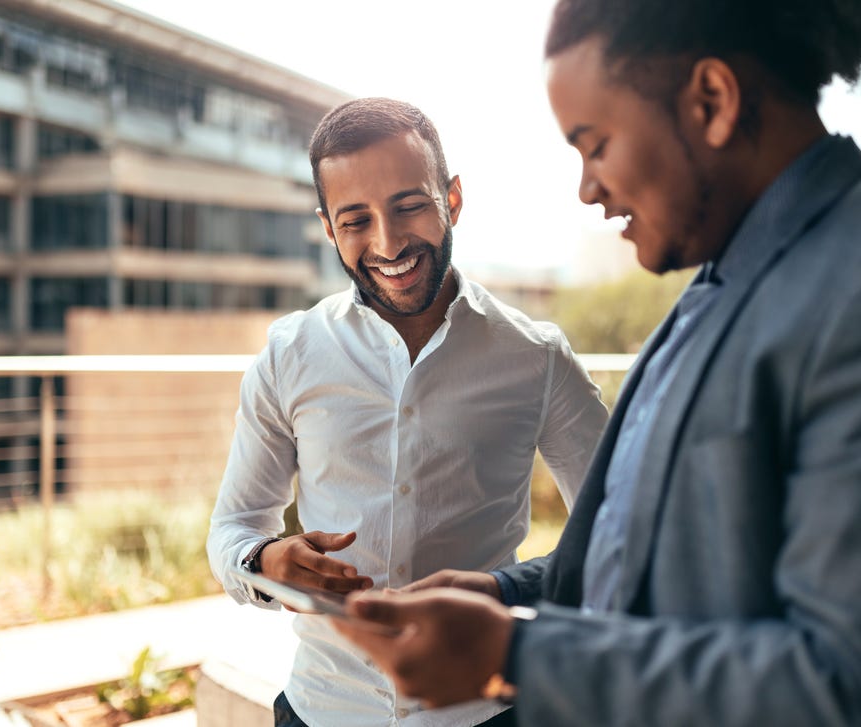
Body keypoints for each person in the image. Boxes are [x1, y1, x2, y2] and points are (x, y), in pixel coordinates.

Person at [333, 2, 861, 725]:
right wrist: (504, 593)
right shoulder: (712, 289)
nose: (587, 187)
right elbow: (658, 558)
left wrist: (517, 657)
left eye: (596, 143)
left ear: (713, 100)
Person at [206, 97, 608, 727]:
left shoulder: (537, 357)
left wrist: (508, 591)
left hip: (485, 713)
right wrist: (265, 563)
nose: (388, 242)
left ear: (451, 200)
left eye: (409, 206)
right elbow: (232, 527)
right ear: (329, 227)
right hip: (319, 711)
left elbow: (621, 537)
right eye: (356, 220)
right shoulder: (290, 354)